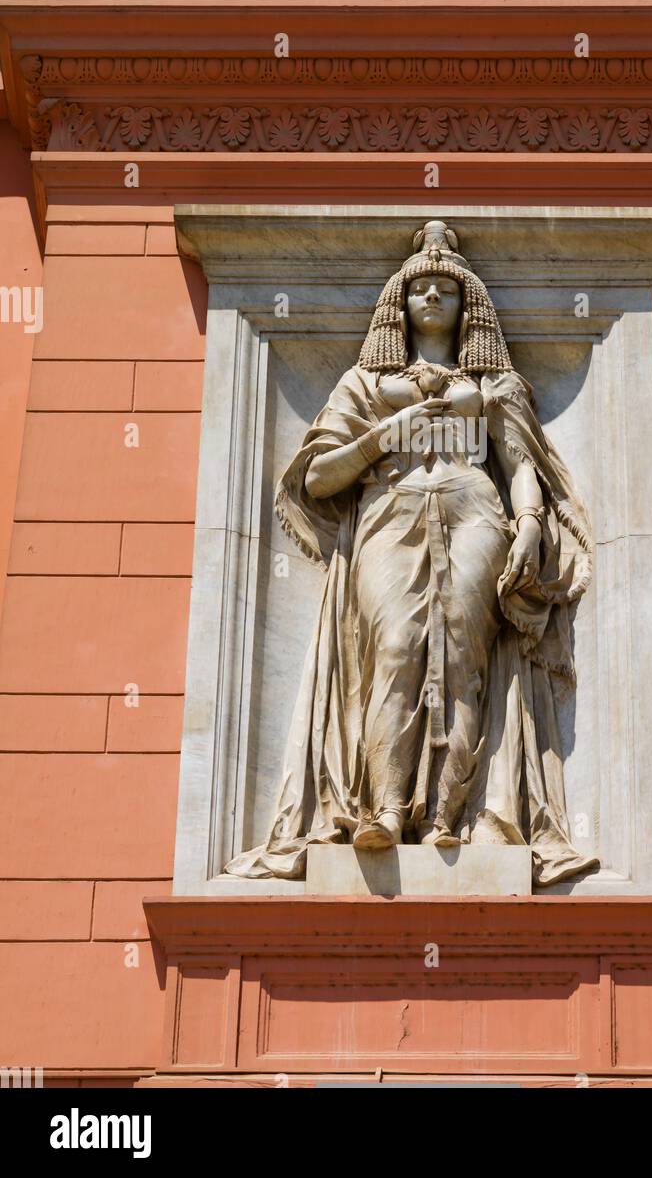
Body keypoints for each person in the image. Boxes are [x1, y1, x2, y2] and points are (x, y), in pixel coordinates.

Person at [225, 220, 599, 886]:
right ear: (399, 305)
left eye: (445, 290)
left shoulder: (492, 387)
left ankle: (450, 818)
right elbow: (316, 478)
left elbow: (519, 465)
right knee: (394, 646)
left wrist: (532, 525)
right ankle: (385, 810)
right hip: (388, 517)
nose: (431, 297)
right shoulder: (364, 387)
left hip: (475, 515)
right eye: (419, 288)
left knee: (461, 653)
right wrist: (382, 438)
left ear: (467, 308)